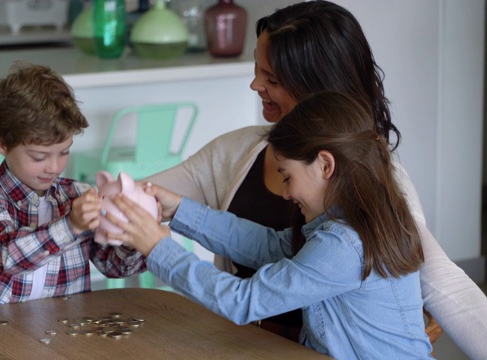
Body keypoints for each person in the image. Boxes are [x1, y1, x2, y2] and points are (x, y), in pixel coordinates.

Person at [0, 1, 487, 357]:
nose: (253, 88)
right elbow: (127, 205)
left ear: (324, 161)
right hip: (236, 339)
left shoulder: (373, 192)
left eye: (268, 77)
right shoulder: (242, 151)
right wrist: (19, 246)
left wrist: (155, 243)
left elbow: (445, 288)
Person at [106, 90, 434, 359]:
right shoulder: (350, 223)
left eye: (288, 176)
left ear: (325, 165)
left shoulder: (344, 246)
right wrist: (180, 211)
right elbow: (267, 246)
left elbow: (242, 301)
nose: (287, 192)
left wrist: (158, 248)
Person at [0, 62, 145, 307]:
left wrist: (131, 235)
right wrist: (70, 226)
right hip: (1, 335)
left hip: (68, 331)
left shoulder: (77, 195)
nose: (54, 167)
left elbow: (116, 266)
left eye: (64, 152)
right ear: (2, 144)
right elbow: (7, 255)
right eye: (39, 157)